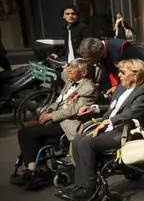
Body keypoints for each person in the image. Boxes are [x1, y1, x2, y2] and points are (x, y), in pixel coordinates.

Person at [57, 59, 144, 201]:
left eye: (122, 72)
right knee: (77, 140)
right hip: (111, 127)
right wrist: (93, 108)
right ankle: (80, 184)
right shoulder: (122, 88)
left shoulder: (143, 91)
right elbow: (112, 108)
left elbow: (132, 113)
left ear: (135, 74)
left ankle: (89, 188)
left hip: (126, 131)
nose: (119, 75)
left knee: (86, 143)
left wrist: (109, 121)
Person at [12, 59, 97, 188]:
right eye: (69, 67)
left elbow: (73, 110)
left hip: (68, 123)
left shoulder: (88, 88)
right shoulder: (70, 83)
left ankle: (36, 171)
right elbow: (58, 101)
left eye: (72, 68)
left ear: (84, 72)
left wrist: (51, 115)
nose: (68, 70)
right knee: (24, 131)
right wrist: (46, 111)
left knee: (29, 133)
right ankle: (38, 169)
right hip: (55, 119)